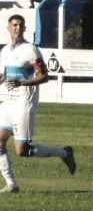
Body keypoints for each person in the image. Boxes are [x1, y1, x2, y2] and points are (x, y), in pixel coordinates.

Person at [0, 14, 76, 193]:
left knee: (22, 151)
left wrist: (22, 83)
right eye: (15, 25)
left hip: (24, 103)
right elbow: (3, 76)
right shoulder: (5, 51)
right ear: (9, 28)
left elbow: (44, 76)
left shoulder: (31, 50)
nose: (18, 28)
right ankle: (11, 185)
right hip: (8, 102)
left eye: (21, 25)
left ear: (25, 29)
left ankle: (64, 153)